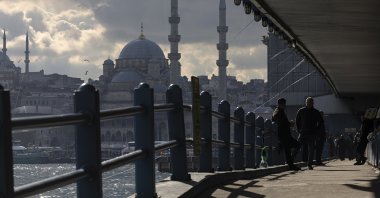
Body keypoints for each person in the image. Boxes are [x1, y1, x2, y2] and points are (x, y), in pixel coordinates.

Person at [272, 98, 301, 171]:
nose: (285, 105)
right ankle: (291, 164)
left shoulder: (279, 111)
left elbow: (281, 121)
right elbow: (279, 120)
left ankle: (290, 163)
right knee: (295, 146)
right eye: (284, 104)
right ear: (281, 104)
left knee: (289, 149)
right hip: (284, 134)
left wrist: (288, 123)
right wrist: (289, 124)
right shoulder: (278, 111)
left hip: (285, 134)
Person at [296, 97, 323, 170]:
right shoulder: (301, 111)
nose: (309, 103)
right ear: (306, 103)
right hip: (303, 132)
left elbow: (320, 122)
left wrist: (316, 130)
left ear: (313, 103)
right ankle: (291, 162)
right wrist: (299, 130)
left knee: (311, 149)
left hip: (312, 133)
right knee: (297, 146)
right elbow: (297, 121)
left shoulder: (316, 112)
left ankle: (309, 164)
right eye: (308, 102)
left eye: (310, 102)